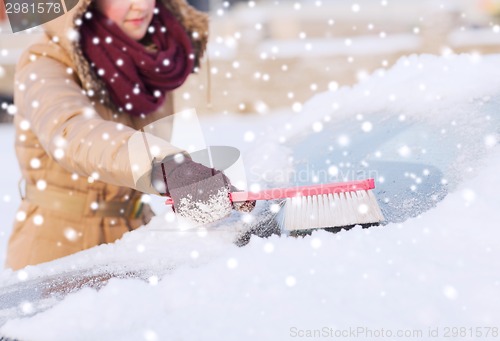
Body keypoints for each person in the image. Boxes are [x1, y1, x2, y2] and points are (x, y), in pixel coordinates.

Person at [6, 0, 252, 271]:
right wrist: (166, 167)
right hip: (58, 247)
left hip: (133, 237)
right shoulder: (45, 61)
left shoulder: (155, 60)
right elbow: (72, 132)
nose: (140, 6)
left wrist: (204, 196)